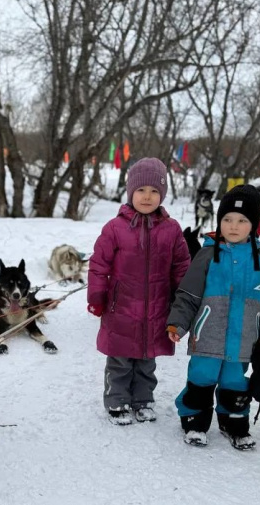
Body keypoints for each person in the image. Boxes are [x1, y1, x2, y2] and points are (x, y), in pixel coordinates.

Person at [166, 185, 260, 450]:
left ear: (253, 225)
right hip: (206, 336)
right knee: (201, 378)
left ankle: (234, 424)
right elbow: (188, 293)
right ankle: (194, 421)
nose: (233, 226)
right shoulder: (207, 255)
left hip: (244, 340)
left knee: (235, 383)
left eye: (242, 221)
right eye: (227, 219)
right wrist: (179, 323)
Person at [87, 158, 191, 425]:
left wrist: (183, 300)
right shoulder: (115, 228)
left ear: (163, 195)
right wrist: (97, 297)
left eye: (154, 191)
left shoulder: (171, 229)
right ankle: (117, 400)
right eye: (141, 190)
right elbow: (99, 266)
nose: (147, 196)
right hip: (121, 308)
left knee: (147, 359)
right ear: (131, 192)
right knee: (120, 360)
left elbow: (181, 266)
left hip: (157, 307)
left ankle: (143, 399)